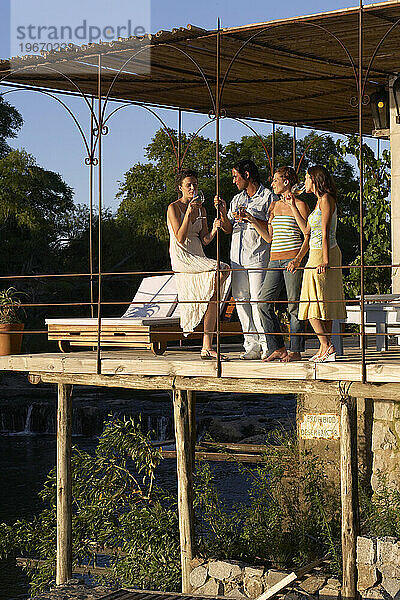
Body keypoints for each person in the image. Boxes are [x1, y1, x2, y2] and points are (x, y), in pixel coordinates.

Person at [216, 159, 277, 360]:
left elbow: (272, 228)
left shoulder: (268, 197)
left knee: (258, 300)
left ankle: (267, 343)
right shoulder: (236, 199)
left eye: (236, 176)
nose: (234, 181)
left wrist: (251, 217)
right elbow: (227, 229)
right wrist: (223, 213)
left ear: (247, 175)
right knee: (241, 300)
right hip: (237, 258)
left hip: (258, 256)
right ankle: (251, 344)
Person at [167, 169, 229, 359]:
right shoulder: (173, 207)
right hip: (182, 255)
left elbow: (205, 240)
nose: (193, 187)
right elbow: (179, 237)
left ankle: (207, 345)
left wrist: (215, 229)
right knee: (221, 269)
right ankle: (205, 338)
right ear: (181, 188)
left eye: (195, 184)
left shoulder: (202, 209)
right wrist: (188, 214)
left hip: (197, 252)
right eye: (189, 185)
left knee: (216, 286)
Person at [287, 165, 346, 363]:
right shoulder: (318, 203)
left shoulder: (327, 199)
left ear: (315, 180)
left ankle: (326, 346)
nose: (304, 183)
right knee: (320, 303)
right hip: (315, 252)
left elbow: (326, 231)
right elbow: (307, 232)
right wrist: (293, 205)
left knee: (315, 302)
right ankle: (326, 348)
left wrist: (326, 260)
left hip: (324, 254)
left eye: (306, 179)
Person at [258, 166, 310, 362]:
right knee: (263, 303)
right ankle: (278, 347)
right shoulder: (273, 206)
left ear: (286, 181)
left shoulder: (301, 205)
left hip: (292, 259)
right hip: (274, 259)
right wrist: (253, 221)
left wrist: (298, 259)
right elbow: (270, 238)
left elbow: (307, 236)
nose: (272, 184)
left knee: (293, 305)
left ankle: (295, 350)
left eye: (275, 180)